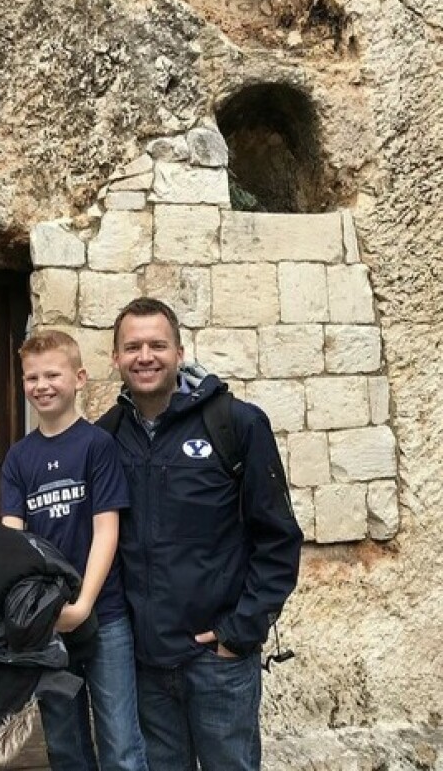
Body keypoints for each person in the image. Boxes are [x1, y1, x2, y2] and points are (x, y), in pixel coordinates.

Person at [102, 297, 303, 771]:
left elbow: (278, 539)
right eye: (132, 347)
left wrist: (240, 631)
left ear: (179, 352)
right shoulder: (106, 437)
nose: (144, 356)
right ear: (115, 359)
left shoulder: (235, 424)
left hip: (218, 661)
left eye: (157, 344)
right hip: (146, 664)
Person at [1, 330, 148, 771]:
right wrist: (40, 611)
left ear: (80, 378)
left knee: (120, 742)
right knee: (65, 743)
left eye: (52, 374)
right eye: (32, 377)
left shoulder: (96, 446)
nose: (41, 385)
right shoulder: (17, 458)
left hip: (104, 614)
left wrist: (83, 604)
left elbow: (107, 530)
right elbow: (14, 543)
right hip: (47, 622)